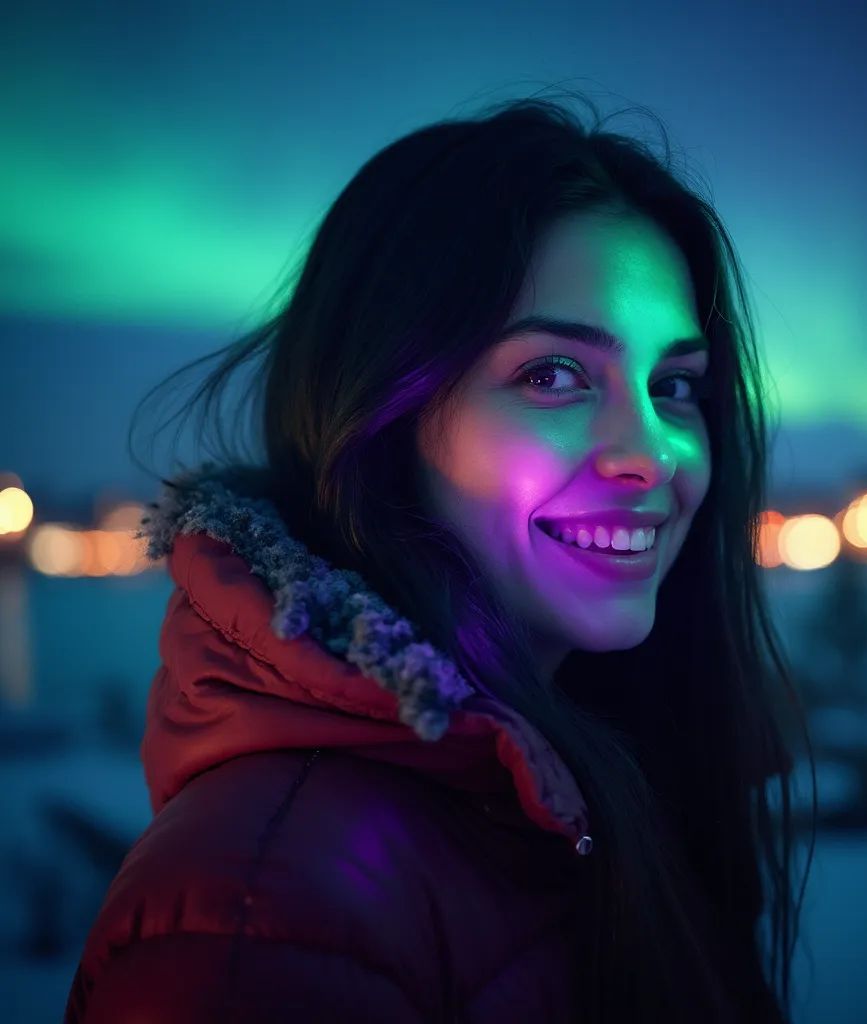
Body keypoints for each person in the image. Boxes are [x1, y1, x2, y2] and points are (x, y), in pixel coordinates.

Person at [64, 92, 814, 1024]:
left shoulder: (608, 778)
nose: (652, 451)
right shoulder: (263, 909)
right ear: (384, 414)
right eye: (552, 375)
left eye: (674, 386)